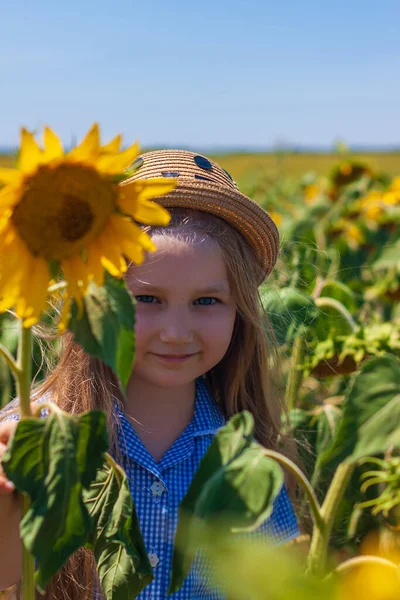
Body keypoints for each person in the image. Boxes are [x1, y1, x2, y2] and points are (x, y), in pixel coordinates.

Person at [0, 150, 299, 599]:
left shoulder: (247, 460)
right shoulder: (37, 433)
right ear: (98, 301)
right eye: (146, 299)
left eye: (206, 302)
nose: (176, 333)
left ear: (241, 313)